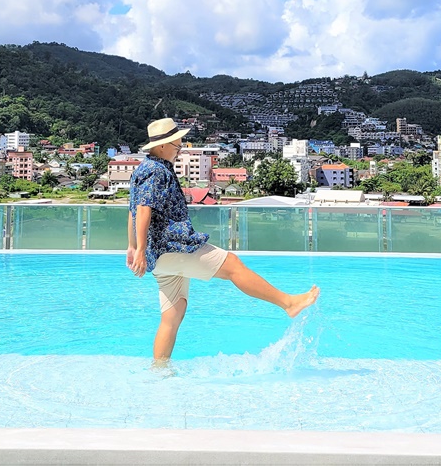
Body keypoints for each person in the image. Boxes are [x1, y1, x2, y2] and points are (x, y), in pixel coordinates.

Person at [126, 117, 320, 363]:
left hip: (161, 257)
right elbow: (142, 208)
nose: (180, 149)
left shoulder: (144, 169)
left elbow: (131, 211)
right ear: (162, 146)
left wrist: (133, 246)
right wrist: (139, 249)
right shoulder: (155, 170)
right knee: (233, 266)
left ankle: (159, 370)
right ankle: (288, 303)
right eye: (177, 145)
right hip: (173, 247)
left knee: (172, 315)